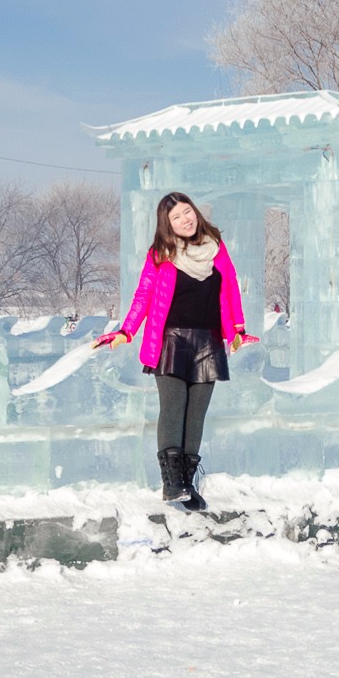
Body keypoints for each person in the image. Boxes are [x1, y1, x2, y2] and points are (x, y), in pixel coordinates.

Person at [96, 192, 255, 511]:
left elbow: (230, 286)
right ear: (167, 225)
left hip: (208, 341)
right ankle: (171, 484)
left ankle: (186, 482)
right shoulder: (161, 253)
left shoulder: (215, 246)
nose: (186, 220)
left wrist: (237, 329)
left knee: (197, 414)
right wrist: (126, 331)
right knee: (173, 407)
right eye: (177, 217)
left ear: (195, 212)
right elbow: (143, 293)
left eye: (188, 212)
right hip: (170, 340)